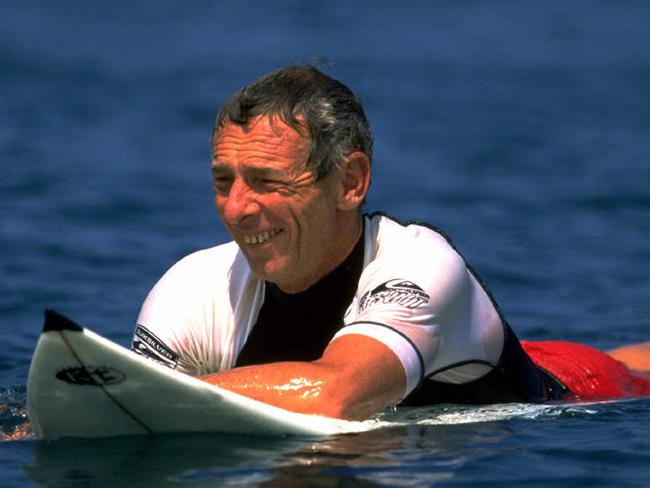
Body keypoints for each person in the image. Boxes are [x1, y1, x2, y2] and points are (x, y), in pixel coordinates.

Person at [132, 65, 650, 420]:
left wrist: (151, 398)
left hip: (582, 385)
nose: (236, 207)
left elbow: (336, 395)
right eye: (224, 181)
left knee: (634, 369)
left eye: (268, 181)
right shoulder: (192, 287)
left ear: (350, 182)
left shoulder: (419, 263)